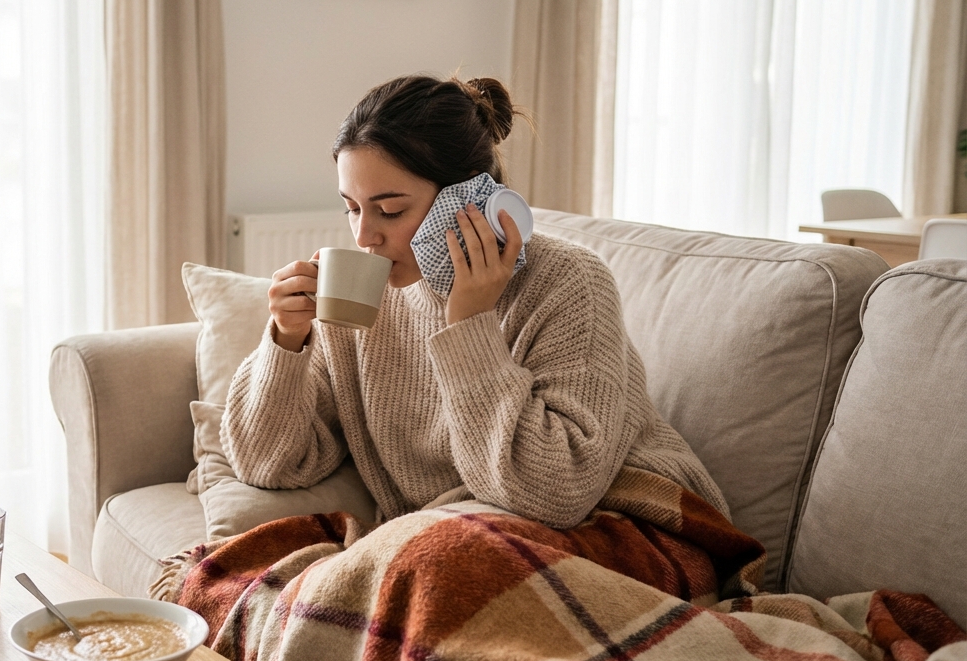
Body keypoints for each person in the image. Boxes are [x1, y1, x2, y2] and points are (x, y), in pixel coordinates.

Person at [220, 74, 727, 529]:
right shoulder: (364, 299)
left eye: (390, 210)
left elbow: (554, 497)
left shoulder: (569, 281)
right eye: (351, 208)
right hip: (469, 535)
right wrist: (287, 343)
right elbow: (269, 463)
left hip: (631, 521)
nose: (363, 237)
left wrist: (469, 324)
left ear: (467, 202)